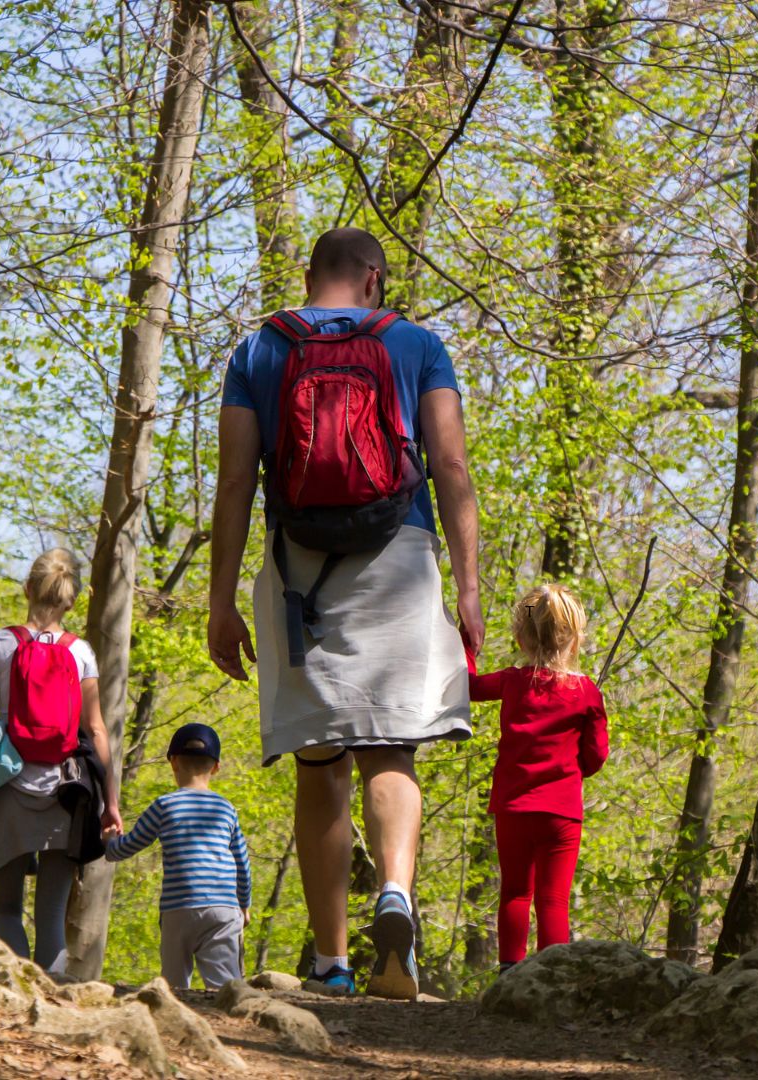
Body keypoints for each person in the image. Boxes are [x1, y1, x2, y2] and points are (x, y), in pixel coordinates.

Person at [206, 227, 483, 999]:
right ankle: (395, 893)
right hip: (399, 556)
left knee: (319, 764)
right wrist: (467, 588)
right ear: (373, 278)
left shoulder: (261, 349)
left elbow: (235, 482)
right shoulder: (416, 344)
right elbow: (451, 464)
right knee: (392, 751)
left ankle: (331, 963)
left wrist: (222, 600)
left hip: (301, 574)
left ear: (309, 275)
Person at [0, 549, 118, 975]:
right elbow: (98, 730)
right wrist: (112, 804)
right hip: (66, 795)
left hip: (5, 789)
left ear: (27, 589)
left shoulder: (0, 644)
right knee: (51, 918)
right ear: (71, 600)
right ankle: (54, 1004)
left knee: (7, 911)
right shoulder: (80, 651)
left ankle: (15, 999)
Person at [466, 585, 609, 971]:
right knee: (553, 899)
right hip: (561, 813)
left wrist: (466, 644)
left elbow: (469, 687)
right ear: (576, 638)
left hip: (514, 807)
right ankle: (551, 975)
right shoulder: (586, 692)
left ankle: (510, 969)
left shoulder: (513, 681)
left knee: (514, 892)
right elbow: (596, 758)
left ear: (520, 638)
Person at [103, 722, 253, 990]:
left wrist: (110, 840)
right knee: (226, 988)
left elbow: (126, 848)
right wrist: (244, 903)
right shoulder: (226, 809)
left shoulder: (164, 805)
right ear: (216, 767)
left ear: (173, 763)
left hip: (178, 908)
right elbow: (242, 862)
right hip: (223, 908)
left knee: (174, 988)